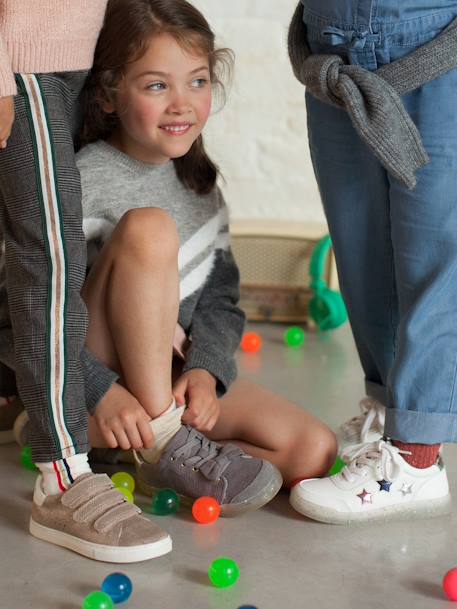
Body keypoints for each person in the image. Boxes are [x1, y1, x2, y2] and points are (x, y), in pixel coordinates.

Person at [74, 0, 337, 511]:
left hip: (171, 377)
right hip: (99, 376)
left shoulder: (198, 185)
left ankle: (146, 453)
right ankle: (131, 431)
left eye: (196, 81)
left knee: (314, 450)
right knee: (150, 228)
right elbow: (20, 315)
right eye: (156, 85)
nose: (182, 103)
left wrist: (205, 371)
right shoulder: (83, 179)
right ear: (109, 94)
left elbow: (220, 297)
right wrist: (99, 390)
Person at [0, 0, 174, 563]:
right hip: (20, 63)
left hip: (75, 54)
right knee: (48, 257)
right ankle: (63, 475)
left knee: (45, 247)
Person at [288, 0, 457, 523]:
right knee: (361, 249)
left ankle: (415, 459)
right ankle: (390, 414)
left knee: (437, 252)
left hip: (437, 37)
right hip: (331, 43)